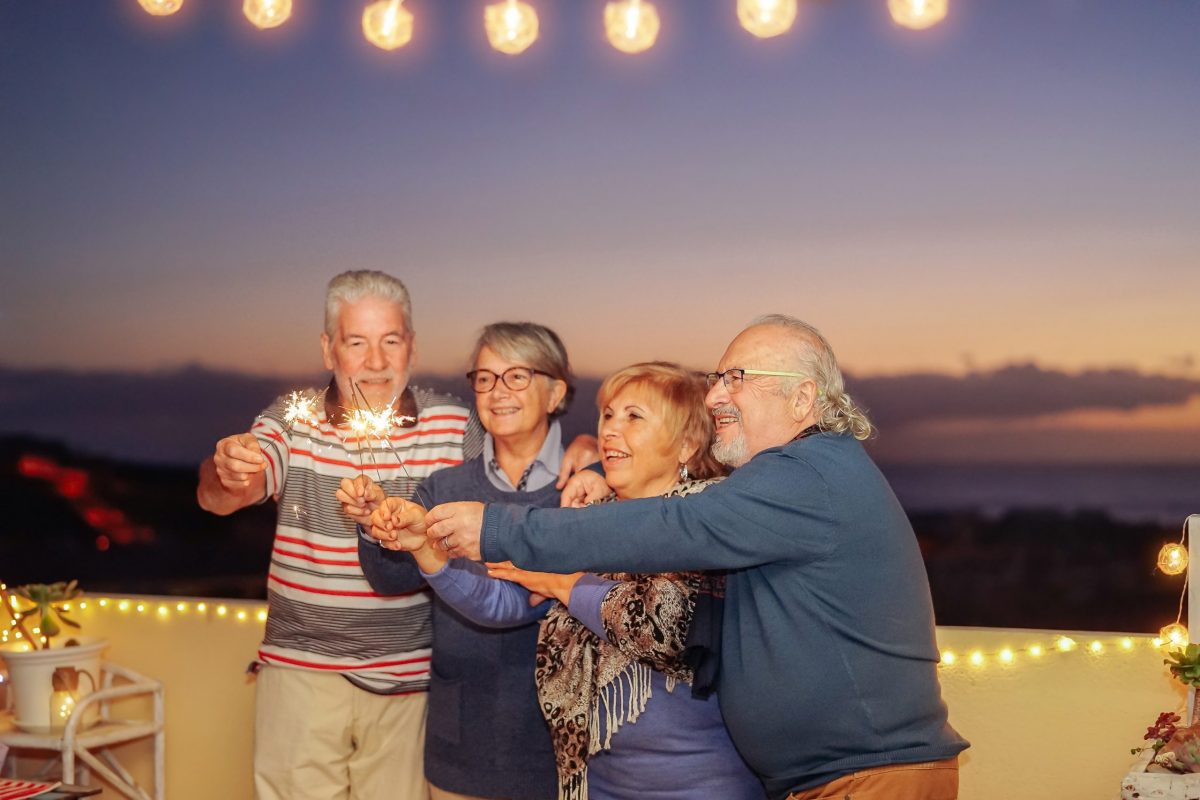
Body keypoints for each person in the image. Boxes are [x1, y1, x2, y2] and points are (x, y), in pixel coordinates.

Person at [419, 315, 970, 800]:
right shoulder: (788, 480)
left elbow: (676, 521)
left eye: (738, 379)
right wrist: (593, 471)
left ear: (803, 399)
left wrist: (497, 527)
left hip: (867, 777)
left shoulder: (804, 475)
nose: (714, 397)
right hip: (838, 777)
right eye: (716, 379)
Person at [196, 272, 597, 800]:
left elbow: (522, 440)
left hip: (410, 686)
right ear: (328, 349)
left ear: (412, 347)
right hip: (302, 677)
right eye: (356, 342)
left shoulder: (457, 425)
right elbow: (220, 495)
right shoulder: (291, 423)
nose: (376, 361)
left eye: (390, 341)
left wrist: (588, 445)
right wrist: (227, 470)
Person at [367, 362, 763, 800]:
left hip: (699, 784)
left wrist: (563, 583)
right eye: (608, 415)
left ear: (687, 444)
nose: (610, 430)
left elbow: (664, 630)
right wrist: (425, 547)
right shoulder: (582, 521)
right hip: (594, 784)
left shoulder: (709, 519)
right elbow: (503, 599)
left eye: (634, 417)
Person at [341, 322, 573, 800]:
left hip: (560, 749)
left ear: (555, 394)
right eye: (485, 378)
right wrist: (374, 525)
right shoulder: (443, 486)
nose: (497, 391)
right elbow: (390, 579)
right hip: (461, 744)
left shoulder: (583, 489)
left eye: (517, 376)